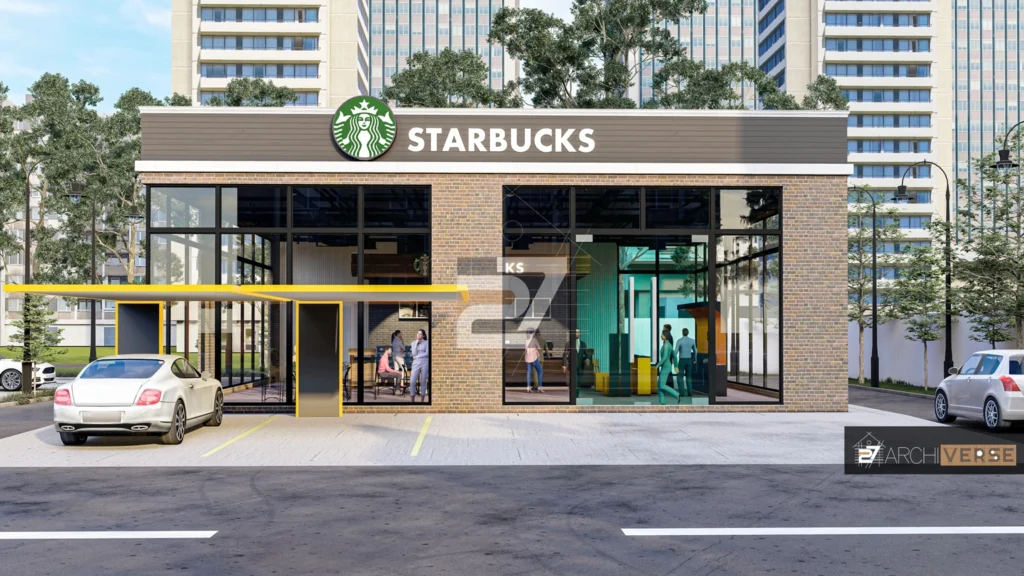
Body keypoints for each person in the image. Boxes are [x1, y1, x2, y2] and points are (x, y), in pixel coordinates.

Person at [562, 328, 591, 398]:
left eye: (578, 332)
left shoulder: (583, 344)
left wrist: (587, 359)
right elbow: (565, 355)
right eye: (575, 332)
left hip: (581, 365)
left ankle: (576, 394)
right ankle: (574, 395)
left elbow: (586, 354)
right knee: (573, 380)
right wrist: (564, 365)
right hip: (572, 365)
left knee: (579, 381)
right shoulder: (568, 343)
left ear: (580, 333)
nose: (577, 333)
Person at [656, 329, 679, 405]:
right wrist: (675, 366)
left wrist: (658, 365)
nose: (661, 336)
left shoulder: (666, 345)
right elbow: (675, 356)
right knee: (660, 385)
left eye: (662, 334)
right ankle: (662, 402)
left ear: (665, 336)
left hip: (666, 367)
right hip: (666, 366)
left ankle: (676, 394)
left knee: (662, 385)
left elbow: (665, 357)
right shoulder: (668, 344)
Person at [674, 327, 696, 398]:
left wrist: (673, 358)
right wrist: (695, 359)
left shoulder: (679, 341)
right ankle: (690, 393)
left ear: (682, 332)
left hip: (682, 360)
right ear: (688, 333)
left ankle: (682, 392)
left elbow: (676, 351)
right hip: (689, 360)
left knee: (680, 376)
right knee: (689, 377)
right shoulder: (692, 341)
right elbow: (695, 351)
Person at [409, 329, 429, 402]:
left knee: (423, 381)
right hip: (416, 363)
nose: (418, 335)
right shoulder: (413, 343)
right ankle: (412, 401)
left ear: (423, 336)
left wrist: (417, 356)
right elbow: (414, 354)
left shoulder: (427, 343)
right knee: (412, 381)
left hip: (425, 362)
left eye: (420, 334)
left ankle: (422, 401)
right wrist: (416, 344)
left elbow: (427, 353)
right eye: (418, 333)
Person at [525, 329, 543, 393]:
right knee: (540, 371)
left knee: (529, 372)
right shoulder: (534, 340)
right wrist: (537, 351)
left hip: (527, 359)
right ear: (532, 333)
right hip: (534, 359)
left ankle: (528, 387)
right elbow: (539, 348)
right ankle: (540, 387)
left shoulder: (526, 340)